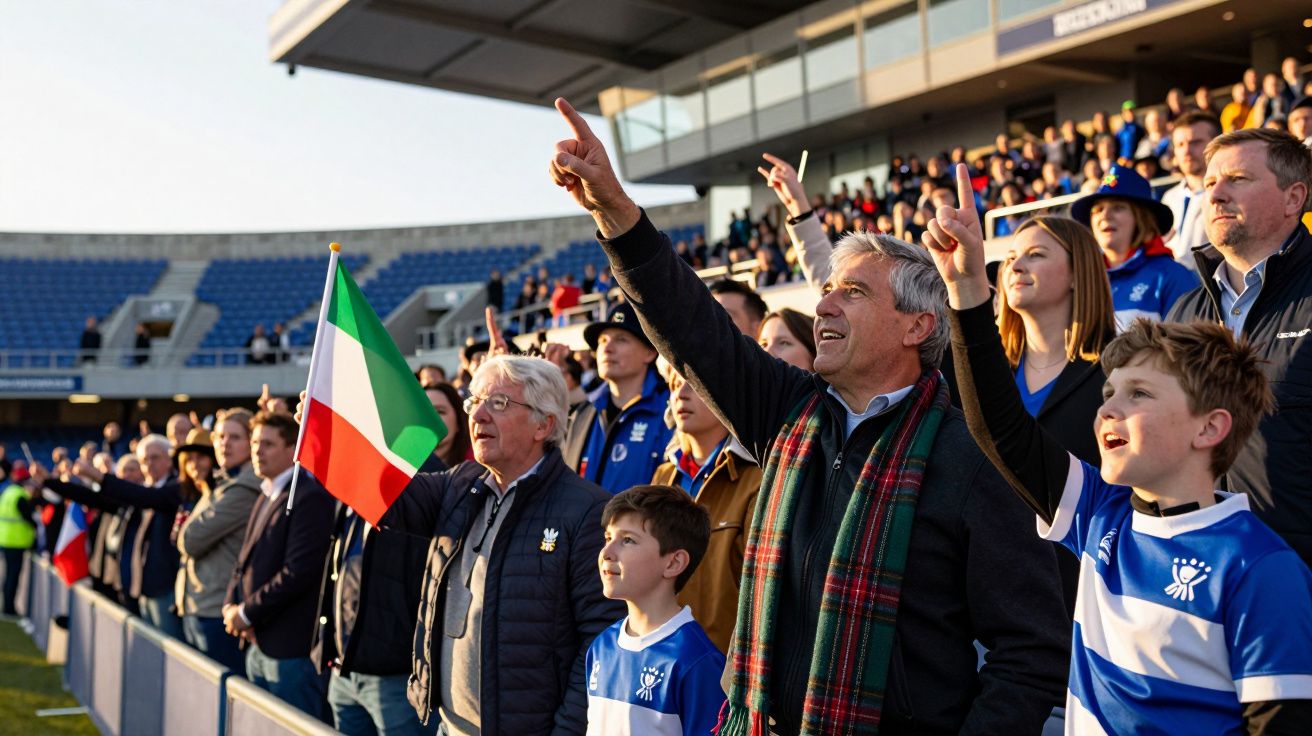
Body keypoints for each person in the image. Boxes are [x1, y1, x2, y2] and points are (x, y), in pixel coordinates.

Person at [549, 98, 1069, 734]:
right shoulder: (787, 411)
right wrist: (614, 207)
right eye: (826, 290)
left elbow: (1030, 654)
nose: (824, 307)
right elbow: (691, 325)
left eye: (852, 292)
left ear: (917, 325)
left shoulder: (971, 457)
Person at [924, 186, 1312, 733]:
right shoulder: (1099, 513)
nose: (1108, 409)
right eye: (1109, 394)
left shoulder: (1262, 568)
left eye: (1139, 395)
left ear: (1210, 426)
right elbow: (1002, 432)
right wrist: (966, 289)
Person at [368, 355, 623, 732]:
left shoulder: (587, 511)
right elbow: (383, 494)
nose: (478, 415)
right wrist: (327, 432)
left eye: (498, 403)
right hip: (447, 726)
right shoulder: (459, 483)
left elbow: (600, 642)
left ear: (544, 424)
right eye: (475, 402)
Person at [1166, 127, 1312, 566]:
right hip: (1198, 577)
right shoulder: (1182, 314)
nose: (1215, 196)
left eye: (1238, 180)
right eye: (1210, 183)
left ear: (1294, 198)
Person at [586, 485, 725, 734]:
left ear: (673, 562)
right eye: (608, 538)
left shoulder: (696, 661)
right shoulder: (601, 647)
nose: (607, 552)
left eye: (627, 540)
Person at [223, 411, 336, 719]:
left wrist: (246, 613)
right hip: (257, 642)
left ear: (293, 449)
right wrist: (231, 606)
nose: (257, 451)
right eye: (255, 442)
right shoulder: (267, 492)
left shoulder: (308, 496)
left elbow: (298, 572)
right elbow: (243, 561)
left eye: (268, 444)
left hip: (289, 650)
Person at [650, 369, 762, 653]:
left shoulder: (755, 480)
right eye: (675, 384)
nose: (681, 393)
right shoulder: (662, 476)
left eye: (695, 384)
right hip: (662, 659)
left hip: (722, 665)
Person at [38, 434, 183, 633]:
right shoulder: (143, 494)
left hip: (161, 587)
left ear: (170, 459)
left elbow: (148, 498)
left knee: (170, 646)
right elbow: (94, 499)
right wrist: (49, 481)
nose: (149, 464)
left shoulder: (172, 490)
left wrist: (99, 476)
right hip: (137, 585)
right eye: (144, 460)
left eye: (155, 457)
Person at [176, 416, 260, 673]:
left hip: (217, 611)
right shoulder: (223, 485)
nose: (224, 444)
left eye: (235, 437)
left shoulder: (243, 489)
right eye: (220, 437)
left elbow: (189, 540)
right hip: (201, 606)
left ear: (251, 443)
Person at [562, 303, 673, 494]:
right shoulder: (582, 414)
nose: (607, 348)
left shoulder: (670, 412)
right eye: (603, 340)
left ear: (650, 352)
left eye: (621, 340)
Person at [1070, 165, 1197, 329]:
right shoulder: (1080, 280)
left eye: (1118, 208)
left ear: (1142, 218)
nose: (1105, 216)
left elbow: (1188, 350)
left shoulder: (1172, 276)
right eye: (1098, 209)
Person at [1161, 111, 1222, 262]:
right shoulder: (1169, 198)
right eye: (1180, 144)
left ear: (1217, 144)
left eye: (1195, 142)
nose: (1186, 151)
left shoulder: (1230, 195)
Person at [0, 464, 35, 618]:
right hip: (16, 541)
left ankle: (7, 607)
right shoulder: (20, 495)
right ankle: (9, 609)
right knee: (13, 577)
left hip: (7, 539)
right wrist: (35, 525)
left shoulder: (8, 492)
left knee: (9, 576)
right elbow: (28, 518)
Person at [426, 383, 474, 467]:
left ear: (459, 422)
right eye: (423, 413)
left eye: (440, 411)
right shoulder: (400, 468)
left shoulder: (483, 471)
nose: (430, 419)